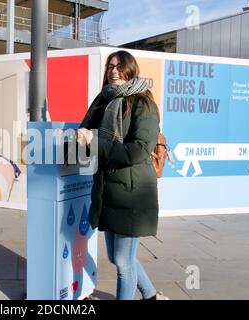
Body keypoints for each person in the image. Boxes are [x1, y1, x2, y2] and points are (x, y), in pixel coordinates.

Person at [77, 50, 169, 300]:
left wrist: (94, 142)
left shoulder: (144, 103)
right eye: (110, 67)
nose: (114, 71)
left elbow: (138, 150)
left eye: (119, 66)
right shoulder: (104, 100)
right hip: (108, 189)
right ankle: (151, 294)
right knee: (116, 256)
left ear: (131, 69)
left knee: (122, 261)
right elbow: (85, 128)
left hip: (133, 193)